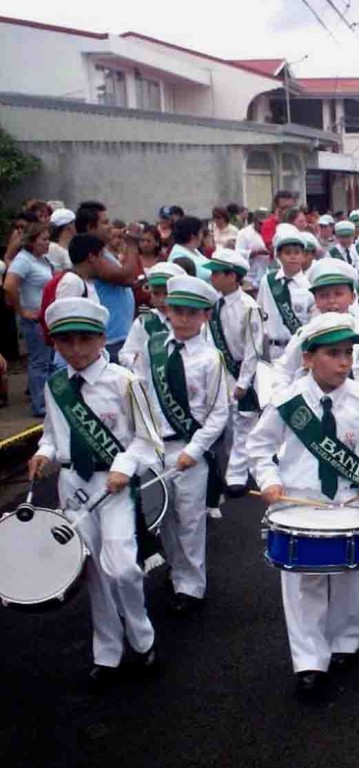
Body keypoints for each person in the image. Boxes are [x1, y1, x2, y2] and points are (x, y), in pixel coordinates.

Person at [248, 312, 359, 701]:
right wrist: (269, 481)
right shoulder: (287, 402)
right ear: (308, 358)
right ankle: (310, 660)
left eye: (348, 353)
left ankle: (348, 640)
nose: (344, 362)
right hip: (301, 503)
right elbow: (258, 447)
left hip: (348, 501)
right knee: (303, 583)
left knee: (348, 576)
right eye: (334, 353)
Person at [29, 298, 162, 689]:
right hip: (74, 485)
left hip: (114, 485)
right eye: (65, 341)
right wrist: (42, 453)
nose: (76, 350)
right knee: (92, 571)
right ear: (54, 343)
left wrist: (123, 466)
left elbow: (149, 440)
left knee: (122, 567)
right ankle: (107, 650)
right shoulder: (56, 385)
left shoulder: (125, 382)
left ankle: (142, 637)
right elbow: (53, 435)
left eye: (84, 339)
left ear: (103, 338)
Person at [134, 276, 229, 614]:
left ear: (205, 316)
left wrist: (195, 450)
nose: (184, 319)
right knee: (163, 517)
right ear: (168, 311)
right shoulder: (153, 347)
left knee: (189, 519)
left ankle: (192, 585)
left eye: (192, 313)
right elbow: (140, 395)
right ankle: (177, 570)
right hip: (156, 447)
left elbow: (218, 414)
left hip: (190, 448)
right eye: (177, 311)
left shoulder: (210, 358)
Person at [205, 249, 264, 499]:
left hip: (241, 370)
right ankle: (234, 468)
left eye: (217, 273)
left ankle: (237, 477)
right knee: (224, 424)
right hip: (220, 371)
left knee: (243, 423)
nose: (212, 278)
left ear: (232, 276)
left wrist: (243, 381)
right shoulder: (215, 304)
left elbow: (253, 348)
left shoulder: (248, 306)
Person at [75, 202, 139, 362]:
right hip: (111, 339)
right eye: (104, 222)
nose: (110, 227)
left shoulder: (102, 251)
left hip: (118, 335)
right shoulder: (91, 255)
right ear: (90, 227)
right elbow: (126, 277)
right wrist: (132, 244)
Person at [3, 221, 53, 415]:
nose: (48, 243)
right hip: (33, 319)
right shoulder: (23, 260)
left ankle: (45, 401)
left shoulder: (41, 260)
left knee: (47, 361)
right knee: (39, 361)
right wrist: (21, 310)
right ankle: (39, 404)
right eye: (44, 240)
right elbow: (9, 285)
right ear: (32, 241)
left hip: (44, 317)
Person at [257, 224, 313, 361]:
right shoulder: (268, 281)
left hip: (298, 350)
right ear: (279, 256)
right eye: (287, 253)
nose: (292, 257)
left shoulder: (309, 286)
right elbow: (260, 312)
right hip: (272, 349)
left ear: (303, 256)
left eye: (297, 253)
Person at [118, 261, 186, 370]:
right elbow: (125, 355)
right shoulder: (145, 321)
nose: (161, 300)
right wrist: (140, 361)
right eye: (156, 293)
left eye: (166, 294)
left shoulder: (191, 320)